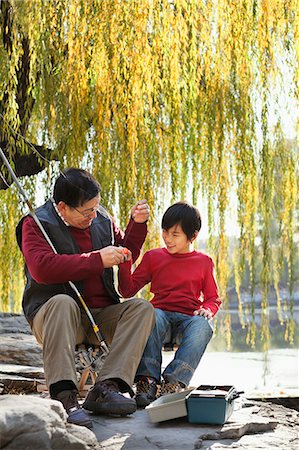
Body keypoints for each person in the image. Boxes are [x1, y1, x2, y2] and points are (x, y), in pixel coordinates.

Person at [16, 168, 155, 427]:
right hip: (54, 317)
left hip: (99, 316)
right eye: (87, 211)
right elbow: (41, 268)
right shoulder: (36, 223)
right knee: (62, 302)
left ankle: (106, 388)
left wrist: (137, 225)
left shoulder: (100, 218)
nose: (94, 215)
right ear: (63, 207)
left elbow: (127, 252)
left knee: (142, 309)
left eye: (96, 208)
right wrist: (97, 259)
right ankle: (64, 395)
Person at [118, 201, 221, 407]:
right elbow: (127, 290)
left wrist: (207, 309)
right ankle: (147, 381)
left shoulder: (204, 261)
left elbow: (213, 298)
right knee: (150, 313)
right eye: (165, 232)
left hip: (188, 322)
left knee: (204, 326)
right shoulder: (153, 257)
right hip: (160, 319)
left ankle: (173, 382)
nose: (167, 239)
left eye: (175, 234)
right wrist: (125, 263)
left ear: (193, 236)